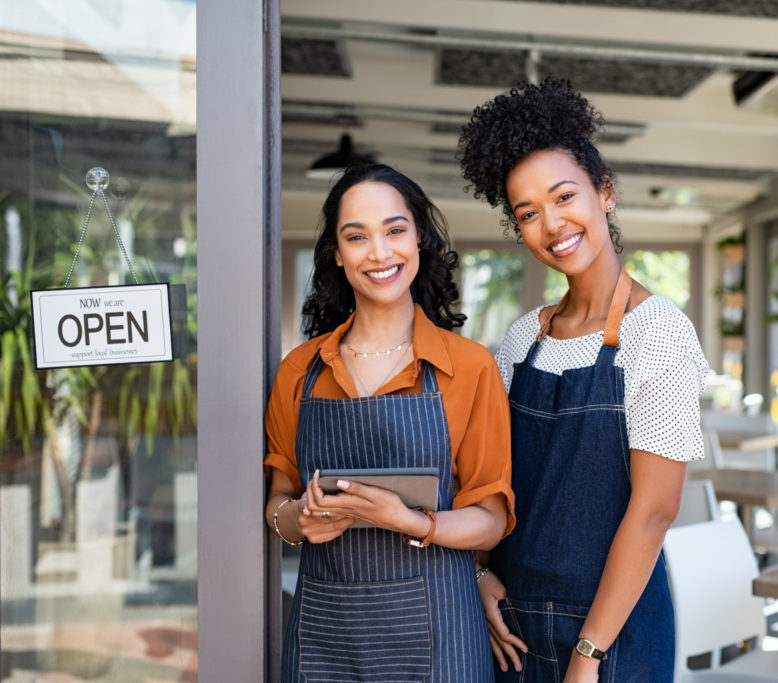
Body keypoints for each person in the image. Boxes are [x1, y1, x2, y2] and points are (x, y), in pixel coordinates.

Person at [458, 78, 710, 683]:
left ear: (605, 193)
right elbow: (491, 482)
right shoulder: (522, 341)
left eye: (564, 196)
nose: (551, 223)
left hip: (613, 638)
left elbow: (654, 512)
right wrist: (480, 572)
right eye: (527, 213)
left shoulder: (659, 334)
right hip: (512, 630)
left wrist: (588, 654)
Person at [264, 163, 515, 682]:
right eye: (357, 236)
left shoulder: (468, 367)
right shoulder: (299, 370)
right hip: (324, 639)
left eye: (395, 230)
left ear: (419, 239)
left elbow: (491, 516)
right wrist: (299, 521)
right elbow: (278, 502)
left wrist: (411, 521)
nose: (379, 252)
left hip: (440, 638)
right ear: (338, 254)